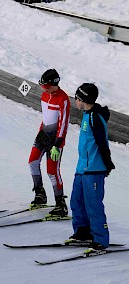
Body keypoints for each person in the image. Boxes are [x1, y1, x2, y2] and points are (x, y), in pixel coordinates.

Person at [67, 83, 115, 252]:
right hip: (82, 168)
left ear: (83, 99)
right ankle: (82, 232)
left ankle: (100, 239)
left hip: (94, 169)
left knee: (93, 205)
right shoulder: (87, 114)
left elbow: (102, 142)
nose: (75, 101)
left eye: (77, 98)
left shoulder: (95, 117)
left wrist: (107, 164)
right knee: (76, 201)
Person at [28, 69, 70, 216]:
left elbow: (64, 123)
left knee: (52, 172)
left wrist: (58, 144)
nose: (44, 89)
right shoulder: (45, 95)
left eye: (46, 86)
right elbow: (45, 118)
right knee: (32, 162)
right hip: (43, 134)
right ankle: (40, 194)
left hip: (55, 140)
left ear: (54, 84)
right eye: (42, 86)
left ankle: (61, 204)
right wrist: (40, 134)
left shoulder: (63, 99)